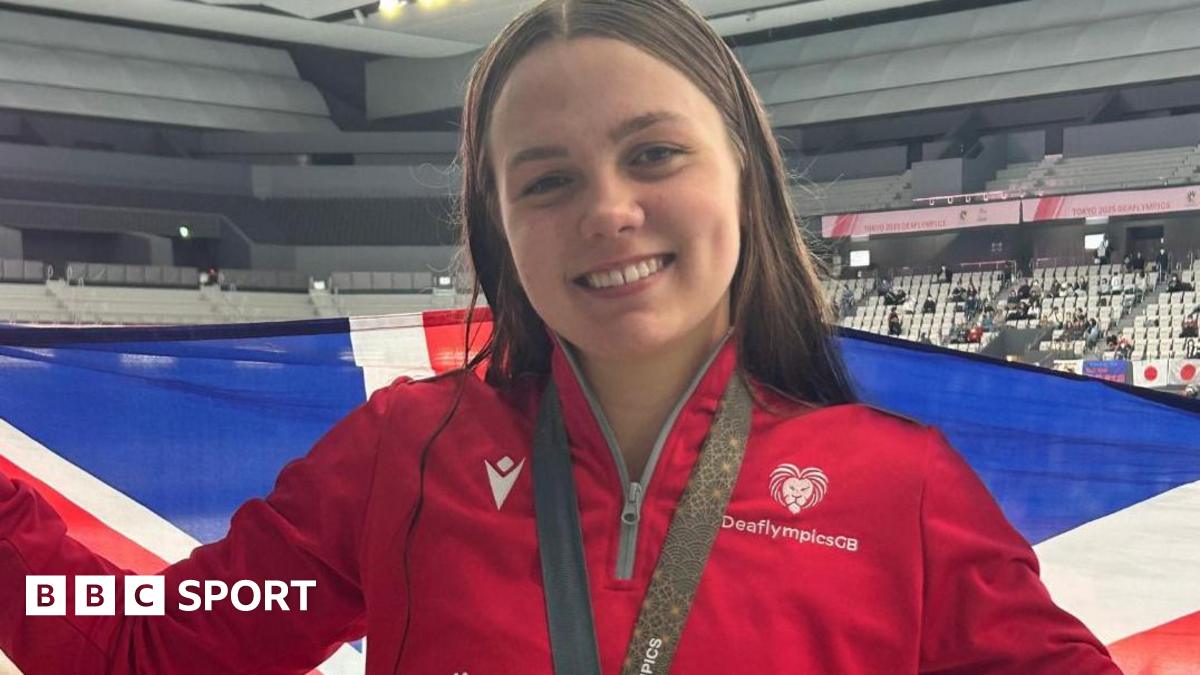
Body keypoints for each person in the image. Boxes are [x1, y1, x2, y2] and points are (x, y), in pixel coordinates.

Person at [0, 1, 1122, 673]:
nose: (608, 211)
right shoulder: (400, 455)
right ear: (499, 229)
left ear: (743, 170)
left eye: (654, 154)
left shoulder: (901, 491)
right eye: (546, 179)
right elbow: (134, 651)